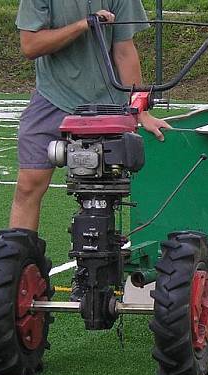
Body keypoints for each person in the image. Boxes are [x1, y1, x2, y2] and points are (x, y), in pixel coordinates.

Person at [11, 0, 171, 232]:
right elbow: (30, 45)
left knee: (108, 188)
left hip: (108, 102)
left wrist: (141, 111)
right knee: (28, 186)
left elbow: (124, 50)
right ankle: (21, 261)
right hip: (52, 97)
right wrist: (83, 25)